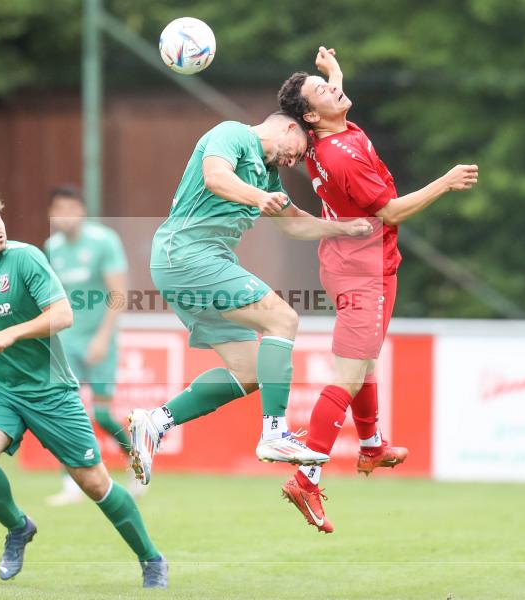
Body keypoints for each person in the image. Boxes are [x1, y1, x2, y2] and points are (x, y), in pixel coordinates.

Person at [0, 190, 168, 587]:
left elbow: (63, 314)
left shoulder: (25, 257)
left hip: (50, 391)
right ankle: (18, 527)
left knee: (95, 483)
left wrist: (12, 333)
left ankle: (151, 558)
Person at [276, 47, 479, 532]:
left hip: (349, 260)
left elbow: (334, 109)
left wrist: (332, 75)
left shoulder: (332, 132)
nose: (334, 90)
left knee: (363, 362)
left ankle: (371, 446)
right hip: (363, 270)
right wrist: (446, 182)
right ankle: (305, 479)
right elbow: (388, 212)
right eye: (323, 91)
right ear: (310, 116)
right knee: (347, 374)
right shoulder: (339, 157)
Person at [128, 112, 374, 486]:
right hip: (188, 255)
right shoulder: (233, 135)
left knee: (248, 373)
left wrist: (342, 229)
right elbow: (216, 176)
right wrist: (259, 198)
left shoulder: (269, 175)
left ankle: (155, 421)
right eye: (298, 151)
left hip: (193, 262)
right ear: (288, 127)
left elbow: (294, 221)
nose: (294, 161)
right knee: (283, 320)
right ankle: (275, 433)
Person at [44, 184, 144, 505]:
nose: (66, 216)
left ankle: (136, 460)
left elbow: (118, 294)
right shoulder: (51, 247)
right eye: (59, 209)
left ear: (82, 212)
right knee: (63, 410)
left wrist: (102, 338)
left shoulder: (104, 242)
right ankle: (71, 482)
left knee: (101, 414)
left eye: (71, 208)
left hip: (100, 339)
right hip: (64, 341)